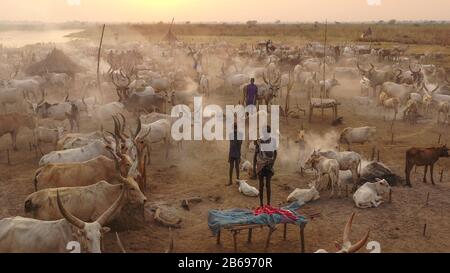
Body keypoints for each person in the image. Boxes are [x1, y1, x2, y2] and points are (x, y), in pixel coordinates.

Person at [255, 126, 277, 207]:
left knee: (268, 185)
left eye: (267, 133)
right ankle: (261, 204)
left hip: (269, 166)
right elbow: (255, 154)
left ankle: (268, 204)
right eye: (265, 132)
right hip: (261, 165)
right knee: (261, 185)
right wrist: (254, 169)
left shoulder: (273, 140)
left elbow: (275, 153)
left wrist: (272, 163)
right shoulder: (259, 141)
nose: (266, 134)